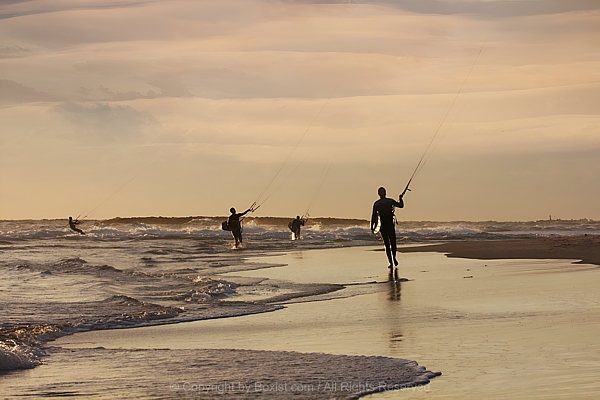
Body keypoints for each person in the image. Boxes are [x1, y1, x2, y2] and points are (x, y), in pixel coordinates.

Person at [371, 187, 404, 269]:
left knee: (393, 243)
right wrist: (372, 226)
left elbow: (400, 205)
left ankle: (394, 258)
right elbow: (373, 215)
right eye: (380, 192)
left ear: (385, 192)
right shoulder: (377, 204)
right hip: (382, 226)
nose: (382, 193)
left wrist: (401, 199)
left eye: (383, 191)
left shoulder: (390, 201)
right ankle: (390, 262)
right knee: (386, 245)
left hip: (390, 225)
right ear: (378, 193)